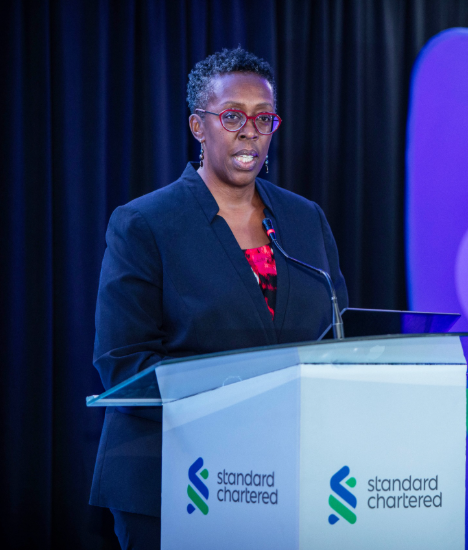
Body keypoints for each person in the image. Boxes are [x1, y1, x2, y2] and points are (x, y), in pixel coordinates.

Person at [89, 47, 348, 549]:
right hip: (172, 479)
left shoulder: (304, 220)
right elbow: (122, 363)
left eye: (263, 118)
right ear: (198, 126)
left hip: (283, 475)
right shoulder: (146, 223)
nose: (250, 131)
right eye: (232, 116)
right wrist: (237, 407)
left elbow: (337, 338)